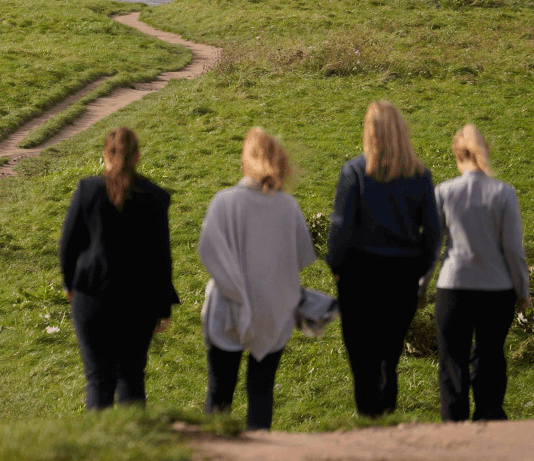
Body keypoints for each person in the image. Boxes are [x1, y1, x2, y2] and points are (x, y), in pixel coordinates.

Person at [326, 101, 441, 417]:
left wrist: (336, 266)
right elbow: (433, 232)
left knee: (362, 359)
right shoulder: (420, 176)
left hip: (360, 277)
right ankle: (387, 416)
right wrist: (420, 269)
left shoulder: (354, 173)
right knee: (389, 357)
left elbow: (341, 227)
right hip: (402, 276)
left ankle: (369, 424)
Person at [198, 128, 316, 430]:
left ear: (244, 161)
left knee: (220, 392)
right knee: (261, 392)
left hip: (226, 307)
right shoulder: (287, 207)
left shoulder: (223, 202)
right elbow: (303, 256)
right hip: (271, 309)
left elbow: (207, 251)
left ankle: (215, 459)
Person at [59, 126, 179, 410]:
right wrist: (163, 307)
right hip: (138, 302)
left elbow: (67, 246)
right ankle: (132, 447)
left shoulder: (87, 190)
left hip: (92, 296)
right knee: (132, 377)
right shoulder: (156, 196)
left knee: (98, 379)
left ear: (105, 154)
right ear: (137, 156)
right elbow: (162, 256)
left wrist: (69, 285)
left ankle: (99, 450)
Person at [422, 124, 530, 421]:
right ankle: (489, 423)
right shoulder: (503, 193)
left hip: (453, 288)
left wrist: (420, 288)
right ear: (486, 152)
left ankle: (455, 434)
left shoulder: (443, 192)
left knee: (451, 365)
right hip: (496, 292)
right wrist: (523, 291)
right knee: (490, 360)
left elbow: (430, 248)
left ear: (458, 155)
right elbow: (513, 248)